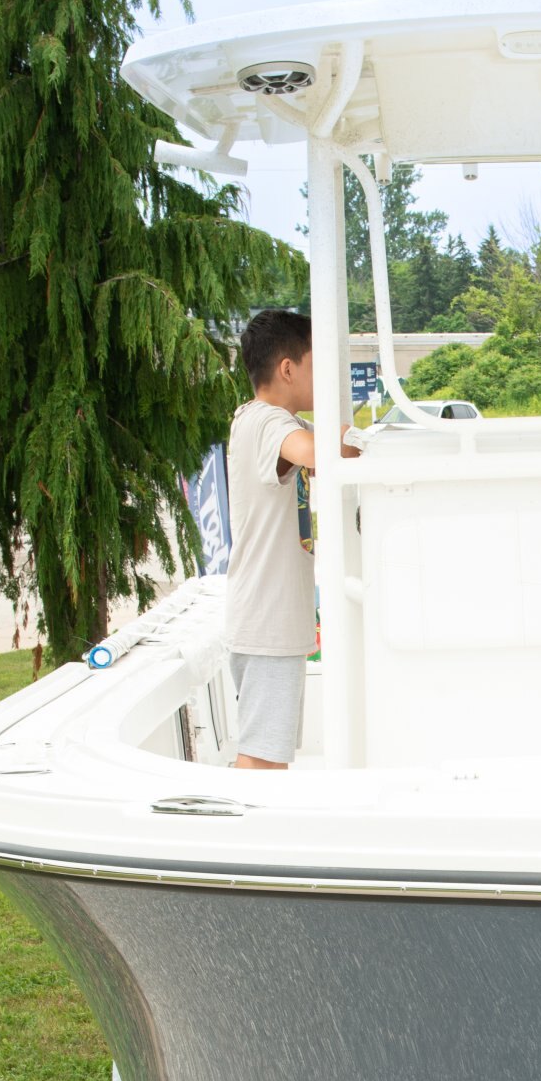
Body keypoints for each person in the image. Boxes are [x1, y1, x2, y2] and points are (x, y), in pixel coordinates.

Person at [223, 308, 359, 770]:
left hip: (271, 620)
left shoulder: (273, 422)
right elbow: (314, 451)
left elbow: (333, 443)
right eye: (316, 366)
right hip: (267, 620)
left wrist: (363, 437)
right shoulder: (264, 421)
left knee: (270, 754)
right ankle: (244, 839)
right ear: (287, 368)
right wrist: (346, 441)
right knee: (262, 759)